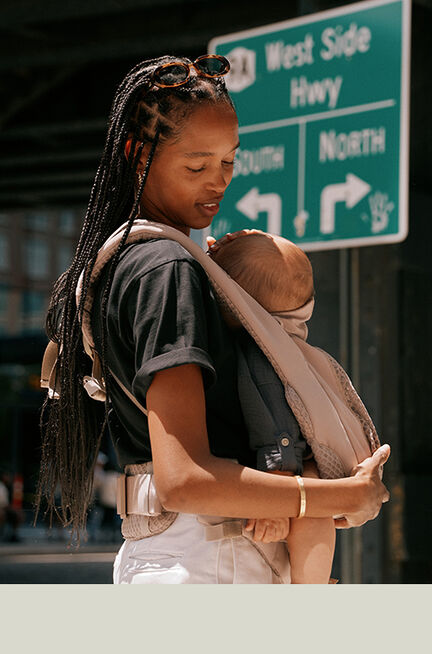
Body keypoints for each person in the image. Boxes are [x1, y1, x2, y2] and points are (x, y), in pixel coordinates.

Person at [36, 54, 390, 584]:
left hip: (171, 554)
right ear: (138, 156)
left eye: (229, 161)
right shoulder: (168, 267)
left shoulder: (117, 262)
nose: (218, 182)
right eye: (197, 166)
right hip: (210, 557)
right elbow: (186, 477)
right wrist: (343, 494)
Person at [208, 229, 367, 583]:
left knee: (309, 509)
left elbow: (274, 422)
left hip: (286, 460)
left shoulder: (260, 351)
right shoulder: (296, 347)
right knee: (317, 514)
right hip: (309, 454)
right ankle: (313, 583)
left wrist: (278, 484)